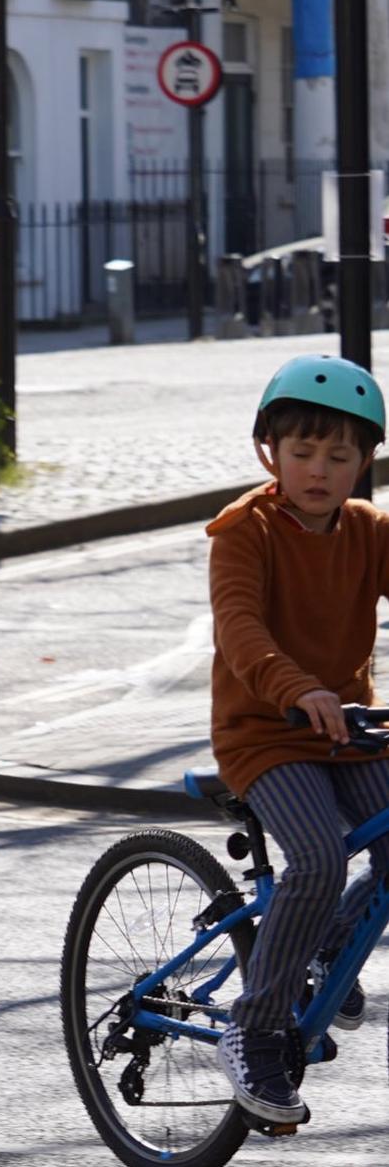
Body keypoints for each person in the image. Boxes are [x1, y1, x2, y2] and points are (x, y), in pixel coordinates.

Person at [208, 355, 389, 1126]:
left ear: (364, 462)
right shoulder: (241, 533)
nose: (319, 469)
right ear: (269, 453)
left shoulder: (369, 531)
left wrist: (332, 700)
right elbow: (240, 631)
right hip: (265, 732)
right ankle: (253, 1029)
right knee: (317, 855)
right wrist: (298, 688)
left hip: (348, 727)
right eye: (303, 451)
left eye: (339, 455)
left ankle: (323, 941)